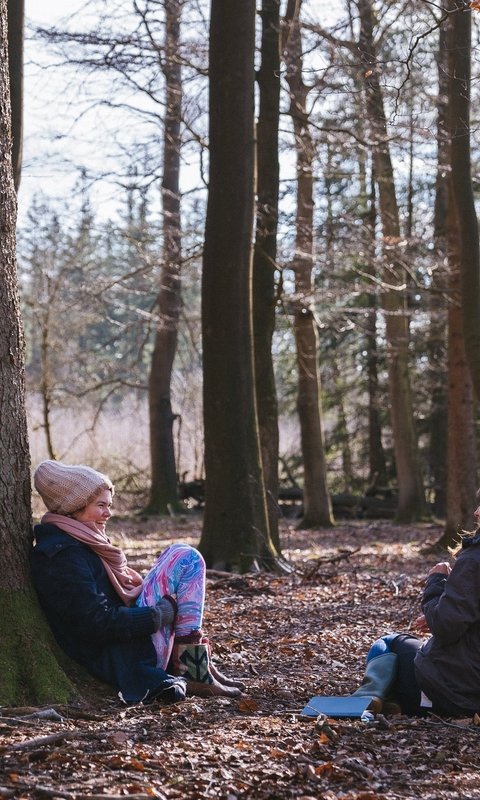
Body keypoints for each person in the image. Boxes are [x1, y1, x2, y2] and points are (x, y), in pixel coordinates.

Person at [31, 460, 245, 705]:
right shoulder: (61, 555)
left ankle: (195, 666)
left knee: (182, 555)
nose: (108, 514)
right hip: (120, 655)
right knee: (185, 557)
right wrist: (156, 615)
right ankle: (193, 669)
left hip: (128, 643)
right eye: (100, 505)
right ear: (73, 506)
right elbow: (95, 623)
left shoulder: (83, 543)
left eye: (109, 505)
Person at [352, 499, 480, 717]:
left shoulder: (474, 559)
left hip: (457, 693)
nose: (476, 512)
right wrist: (439, 609)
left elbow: (445, 628)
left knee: (388, 642)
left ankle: (367, 699)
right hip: (468, 681)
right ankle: (392, 700)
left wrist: (436, 582)